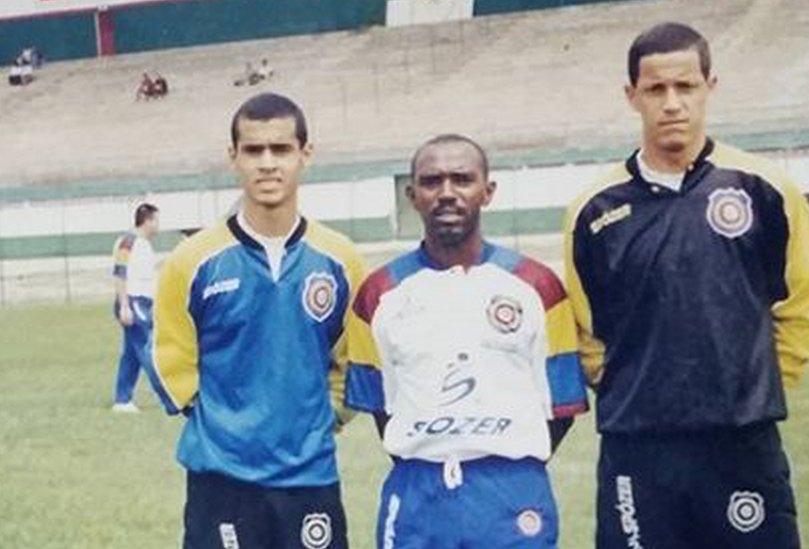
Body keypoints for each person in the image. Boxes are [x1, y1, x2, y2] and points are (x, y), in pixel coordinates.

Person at [564, 23, 809, 548]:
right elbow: (587, 331)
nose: (672, 104)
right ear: (631, 96)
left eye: (685, 87)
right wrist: (636, 393)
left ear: (710, 86)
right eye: (656, 90)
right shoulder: (595, 209)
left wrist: (750, 390)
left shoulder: (765, 190)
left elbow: (799, 305)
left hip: (740, 443)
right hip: (637, 448)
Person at [345, 134, 589, 548]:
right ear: (412, 195)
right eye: (431, 181)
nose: (447, 193)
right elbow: (381, 406)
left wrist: (499, 455)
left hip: (511, 491)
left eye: (462, 179)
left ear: (487, 191)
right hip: (417, 490)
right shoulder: (378, 294)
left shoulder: (538, 288)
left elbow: (560, 407)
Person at [150, 93, 365, 548]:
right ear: (234, 158)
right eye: (253, 150)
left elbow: (354, 359)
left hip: (310, 477)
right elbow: (170, 358)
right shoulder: (192, 261)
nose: (268, 164)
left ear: (305, 155)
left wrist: (322, 418)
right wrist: (225, 427)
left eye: (281, 149)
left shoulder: (340, 260)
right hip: (222, 483)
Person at [110, 203, 160, 413]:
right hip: (133, 301)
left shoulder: (145, 245)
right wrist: (124, 305)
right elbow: (120, 272)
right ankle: (169, 395)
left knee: (131, 354)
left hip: (144, 301)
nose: (158, 226)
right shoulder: (128, 241)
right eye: (156, 220)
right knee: (148, 349)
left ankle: (122, 400)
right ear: (147, 220)